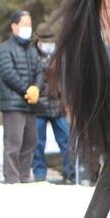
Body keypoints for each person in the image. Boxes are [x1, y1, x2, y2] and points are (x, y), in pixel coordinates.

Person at [0, 9, 43, 184]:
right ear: (14, 26)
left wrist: (36, 88)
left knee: (30, 143)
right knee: (13, 144)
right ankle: (12, 179)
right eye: (24, 25)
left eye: (29, 25)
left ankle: (24, 177)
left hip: (30, 105)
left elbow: (40, 72)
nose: (28, 28)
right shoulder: (4, 49)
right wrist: (26, 90)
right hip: (13, 104)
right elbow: (7, 73)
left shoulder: (31, 50)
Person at [32, 23, 73, 183]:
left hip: (58, 104)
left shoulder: (61, 55)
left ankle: (70, 172)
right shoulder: (32, 55)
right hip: (38, 105)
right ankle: (39, 174)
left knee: (66, 140)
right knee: (38, 143)